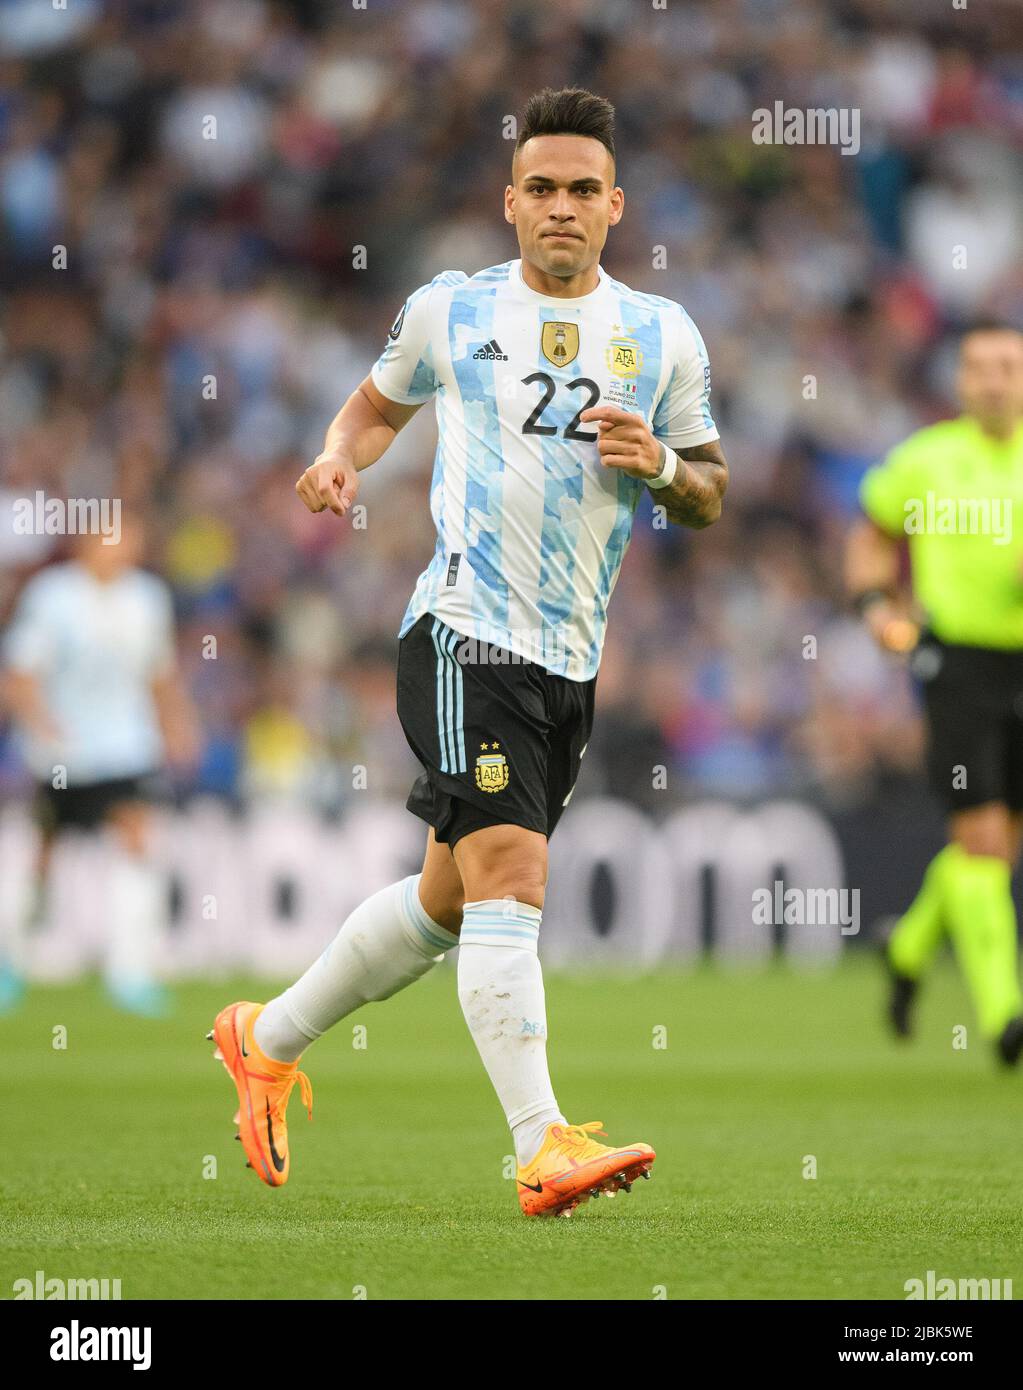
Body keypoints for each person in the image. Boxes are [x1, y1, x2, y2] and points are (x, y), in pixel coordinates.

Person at [211, 87, 728, 1215]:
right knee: (513, 878)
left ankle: (265, 1035)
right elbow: (369, 411)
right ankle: (540, 1144)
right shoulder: (449, 311)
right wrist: (337, 460)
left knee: (450, 902)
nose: (560, 207)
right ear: (509, 204)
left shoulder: (662, 335)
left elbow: (709, 494)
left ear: (615, 205)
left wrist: (662, 472)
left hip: (567, 666)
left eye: (582, 190)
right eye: (540, 188)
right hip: (459, 636)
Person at [846, 321, 1023, 1065]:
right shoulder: (925, 460)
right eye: (977, 367)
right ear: (957, 381)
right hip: (955, 665)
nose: (991, 380)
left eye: (1006, 366)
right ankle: (1003, 1017)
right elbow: (871, 533)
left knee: (996, 847)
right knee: (981, 841)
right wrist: (875, 607)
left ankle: (908, 945)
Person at [1, 513, 199, 1015]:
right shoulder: (53, 595)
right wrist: (40, 723)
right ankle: (10, 961)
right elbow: (22, 670)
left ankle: (130, 971)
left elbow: (160, 672)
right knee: (43, 851)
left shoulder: (147, 598)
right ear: (88, 543)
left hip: (127, 746)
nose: (124, 547)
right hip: (64, 753)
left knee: (136, 841)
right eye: (114, 537)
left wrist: (177, 726)